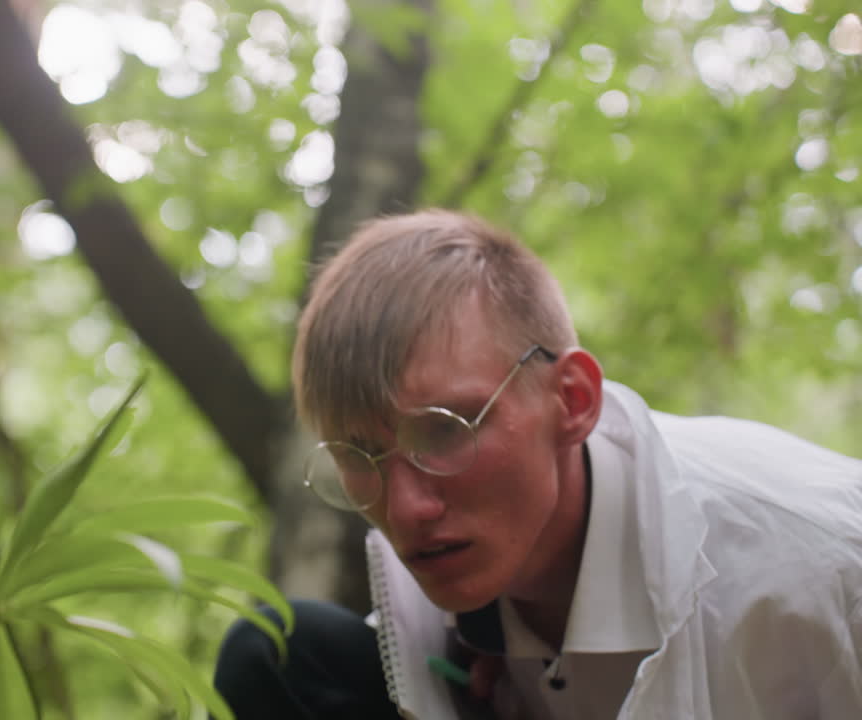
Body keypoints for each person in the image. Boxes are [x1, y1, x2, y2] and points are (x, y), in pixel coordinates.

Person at [213, 208, 862, 719]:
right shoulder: (444, 591)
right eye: (361, 455)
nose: (406, 509)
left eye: (444, 432)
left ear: (573, 401)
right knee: (279, 655)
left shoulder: (815, 566)